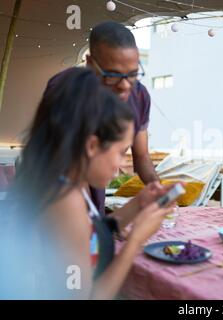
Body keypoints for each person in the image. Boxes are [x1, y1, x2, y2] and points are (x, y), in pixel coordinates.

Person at [6, 68, 174, 299]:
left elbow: (90, 235)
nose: (119, 166)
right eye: (119, 152)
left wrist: (137, 205)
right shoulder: (65, 202)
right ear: (92, 145)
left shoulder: (67, 183)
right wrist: (135, 241)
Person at [44, 21, 158, 214]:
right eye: (112, 75)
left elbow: (142, 156)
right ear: (90, 64)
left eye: (132, 75)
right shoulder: (66, 91)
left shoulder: (138, 95)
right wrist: (93, 225)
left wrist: (157, 189)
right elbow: (70, 167)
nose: (125, 86)